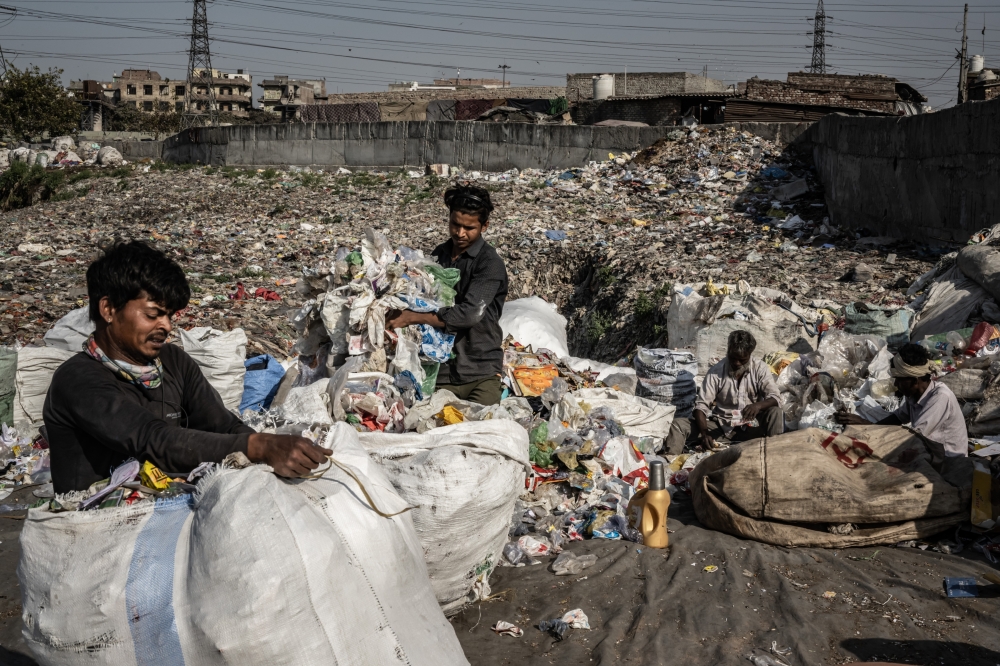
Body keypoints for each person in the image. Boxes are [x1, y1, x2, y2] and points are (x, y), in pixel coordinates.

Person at [44, 241, 331, 493]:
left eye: (169, 316)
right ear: (108, 310)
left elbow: (223, 425)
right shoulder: (77, 380)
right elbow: (154, 439)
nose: (166, 326)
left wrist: (267, 447)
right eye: (153, 314)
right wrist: (260, 447)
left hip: (164, 502)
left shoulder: (173, 362)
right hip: (97, 527)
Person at [386, 185, 509, 405]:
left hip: (479, 370)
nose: (460, 233)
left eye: (469, 228)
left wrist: (412, 317)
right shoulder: (439, 255)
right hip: (440, 371)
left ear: (484, 226)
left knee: (481, 430)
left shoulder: (490, 264)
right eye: (455, 224)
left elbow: (470, 314)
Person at [835, 342, 968, 457]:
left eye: (899, 380)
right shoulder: (915, 394)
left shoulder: (940, 397)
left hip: (947, 458)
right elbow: (897, 418)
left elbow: (914, 437)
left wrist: (866, 425)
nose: (896, 385)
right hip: (926, 448)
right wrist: (869, 426)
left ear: (915, 381)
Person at [665, 330, 783, 453]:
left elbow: (775, 398)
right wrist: (705, 434)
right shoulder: (716, 372)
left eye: (742, 360)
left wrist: (758, 406)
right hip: (722, 427)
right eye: (733, 358)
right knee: (678, 425)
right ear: (728, 351)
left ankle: (775, 455)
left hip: (752, 427)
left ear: (750, 355)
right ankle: (671, 463)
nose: (736, 363)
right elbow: (701, 406)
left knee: (776, 412)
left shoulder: (760, 368)